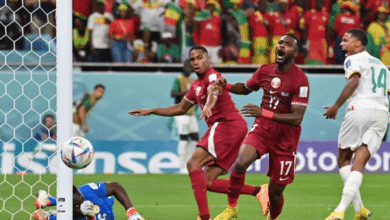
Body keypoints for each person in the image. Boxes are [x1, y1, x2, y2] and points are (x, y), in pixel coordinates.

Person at [129, 45, 267, 220]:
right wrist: (152, 110)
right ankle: (259, 190)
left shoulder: (213, 76)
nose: (196, 62)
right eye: (192, 59)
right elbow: (180, 108)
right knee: (208, 182)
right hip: (232, 128)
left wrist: (208, 106)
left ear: (208, 59)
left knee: (193, 163)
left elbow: (214, 91)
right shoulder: (196, 85)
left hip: (227, 125)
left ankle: (203, 217)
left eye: (200, 58)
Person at [214, 34, 310, 220]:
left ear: (295, 53)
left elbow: (297, 118)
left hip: (286, 138)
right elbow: (246, 88)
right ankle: (231, 208)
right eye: (280, 42)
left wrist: (263, 113)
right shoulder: (265, 70)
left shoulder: (300, 79)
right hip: (263, 129)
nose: (281, 46)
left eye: (288, 44)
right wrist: (227, 86)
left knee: (275, 195)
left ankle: (273, 217)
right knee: (241, 162)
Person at [323, 29, 389, 220]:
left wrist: (336, 106)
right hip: (382, 113)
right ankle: (359, 210)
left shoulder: (353, 59)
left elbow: (354, 82)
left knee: (344, 158)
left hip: (360, 109)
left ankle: (339, 211)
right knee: (359, 163)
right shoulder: (382, 66)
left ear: (358, 44)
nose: (342, 44)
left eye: (345, 40)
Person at [33, 182, 144, 220]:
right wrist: (91, 217)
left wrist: (132, 212)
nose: (81, 200)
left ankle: (51, 200)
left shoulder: (86, 191)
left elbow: (115, 187)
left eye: (80, 196)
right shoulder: (68, 217)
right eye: (77, 204)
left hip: (108, 210)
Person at [171, 59, 199, 173]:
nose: (189, 69)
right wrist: (187, 92)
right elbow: (173, 93)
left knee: (195, 138)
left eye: (191, 67)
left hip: (191, 114)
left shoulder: (193, 80)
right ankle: (181, 166)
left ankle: (188, 162)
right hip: (182, 114)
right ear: (184, 67)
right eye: (187, 66)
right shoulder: (178, 79)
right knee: (184, 138)